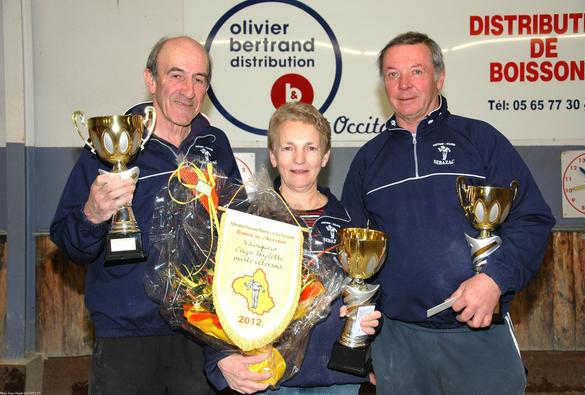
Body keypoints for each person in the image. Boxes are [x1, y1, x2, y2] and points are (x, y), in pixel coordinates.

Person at [341, 32, 555, 395]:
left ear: (439, 77)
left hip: (478, 333)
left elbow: (533, 218)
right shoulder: (368, 161)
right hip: (398, 342)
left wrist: (494, 280)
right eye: (392, 74)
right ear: (383, 84)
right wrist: (363, 345)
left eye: (416, 71)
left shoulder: (481, 140)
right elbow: (353, 260)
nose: (404, 84)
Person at [50, 36, 241, 394]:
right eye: (176, 75)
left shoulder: (217, 145)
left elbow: (237, 230)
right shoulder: (110, 145)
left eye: (199, 79)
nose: (188, 90)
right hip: (126, 336)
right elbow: (68, 241)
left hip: (199, 332)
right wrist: (92, 214)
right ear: (150, 80)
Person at [203, 102, 381, 394]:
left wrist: (367, 319)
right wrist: (221, 358)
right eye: (288, 148)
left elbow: (372, 290)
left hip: (338, 378)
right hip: (266, 376)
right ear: (273, 156)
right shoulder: (249, 220)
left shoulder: (353, 222)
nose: (299, 158)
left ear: (325, 157)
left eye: (311, 148)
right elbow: (216, 296)